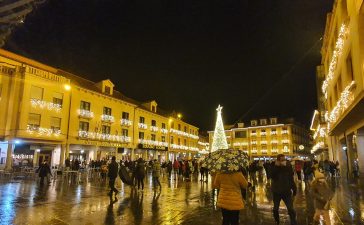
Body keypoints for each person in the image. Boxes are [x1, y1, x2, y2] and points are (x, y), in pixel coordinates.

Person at [271, 154, 297, 225]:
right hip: (276, 192)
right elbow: (271, 175)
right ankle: (277, 221)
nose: (283, 161)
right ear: (278, 160)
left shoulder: (288, 167)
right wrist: (276, 167)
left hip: (287, 192)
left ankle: (293, 221)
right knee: (275, 209)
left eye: (284, 159)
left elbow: (291, 179)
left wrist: (294, 190)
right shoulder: (274, 166)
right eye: (281, 160)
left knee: (290, 208)